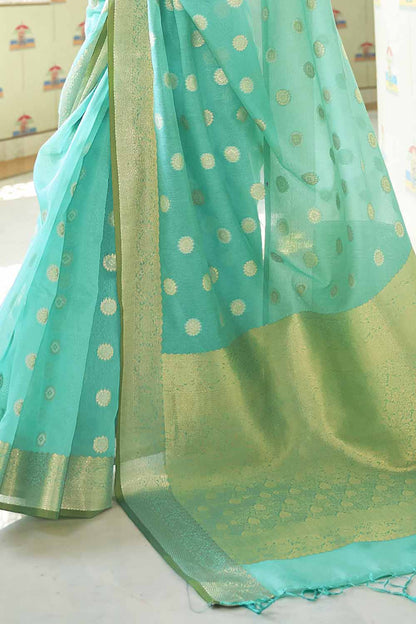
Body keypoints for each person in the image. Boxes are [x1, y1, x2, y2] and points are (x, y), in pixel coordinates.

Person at [1, 0, 416, 614]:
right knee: (107, 199)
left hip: (203, 27)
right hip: (142, 28)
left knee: (209, 205)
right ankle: (62, 454)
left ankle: (91, 449)